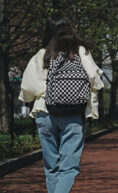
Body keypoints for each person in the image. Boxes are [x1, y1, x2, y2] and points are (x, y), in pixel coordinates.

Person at [18, 16, 104, 193]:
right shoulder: (80, 51)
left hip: (44, 112)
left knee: (51, 167)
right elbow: (94, 79)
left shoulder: (42, 53)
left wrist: (40, 93)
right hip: (72, 114)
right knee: (69, 168)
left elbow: (28, 86)